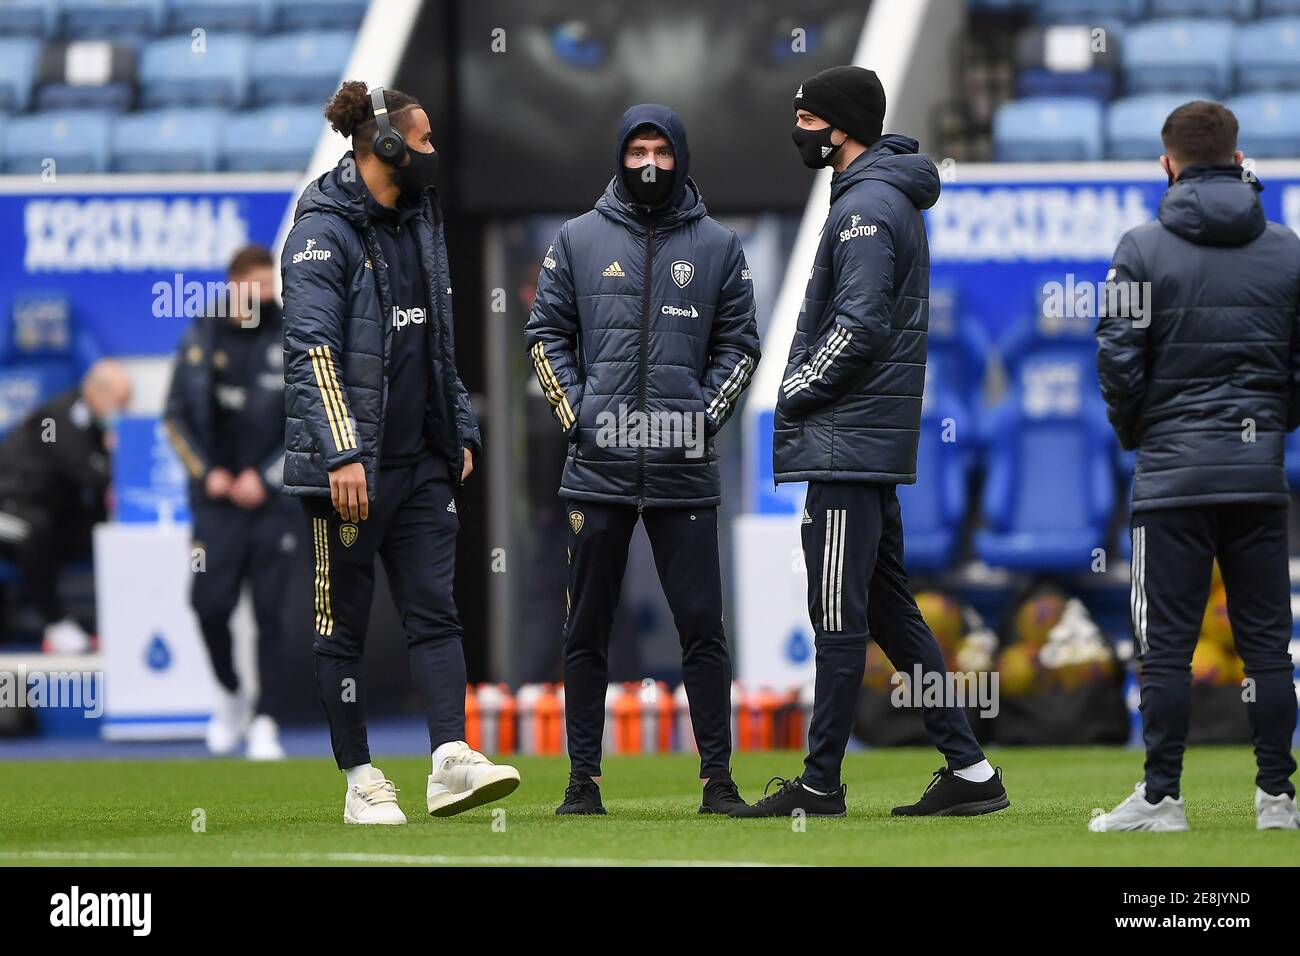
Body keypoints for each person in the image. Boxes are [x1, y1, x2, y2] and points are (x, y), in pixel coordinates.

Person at [734, 66, 1009, 818]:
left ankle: (820, 782)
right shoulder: (875, 197)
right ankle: (972, 771)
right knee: (890, 613)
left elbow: (858, 327)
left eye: (806, 118)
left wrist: (792, 391)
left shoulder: (866, 207)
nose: (798, 130)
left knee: (837, 616)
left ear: (840, 126)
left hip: (847, 442)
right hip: (861, 441)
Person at [281, 81, 518, 825]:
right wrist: (343, 454)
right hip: (349, 470)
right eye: (422, 142)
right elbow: (312, 351)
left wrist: (458, 428)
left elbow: (436, 338)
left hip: (420, 463)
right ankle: (360, 778)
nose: (432, 155)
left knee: (437, 615)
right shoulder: (321, 230)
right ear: (383, 146)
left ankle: (449, 757)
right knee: (341, 630)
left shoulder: (420, 218)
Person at [525, 104, 761, 816]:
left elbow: (741, 349)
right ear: (619, 157)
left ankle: (717, 782)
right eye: (637, 151)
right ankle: (581, 782)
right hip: (597, 471)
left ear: (680, 155)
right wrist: (583, 420)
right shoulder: (576, 239)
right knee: (585, 629)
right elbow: (544, 339)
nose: (649, 162)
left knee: (703, 630)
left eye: (661, 149)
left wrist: (700, 422)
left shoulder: (720, 246)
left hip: (683, 473)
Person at [1092, 100, 1300, 832]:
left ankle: (1161, 799)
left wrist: (1142, 434)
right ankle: (1278, 800)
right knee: (1268, 646)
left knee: (1166, 649)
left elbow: (1115, 358)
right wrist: (1271, 424)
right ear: (1239, 158)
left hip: (1172, 482)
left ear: (1168, 163)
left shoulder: (1138, 247)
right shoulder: (1287, 247)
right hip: (1257, 479)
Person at [164, 244, 294, 761]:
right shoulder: (201, 336)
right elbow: (175, 419)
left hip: (272, 502)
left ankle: (267, 718)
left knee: (271, 614)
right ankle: (231, 695)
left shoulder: (292, 333)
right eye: (257, 286)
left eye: (270, 285)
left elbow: (310, 419)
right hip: (216, 505)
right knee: (208, 605)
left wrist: (266, 478)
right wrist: (209, 473)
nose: (266, 296)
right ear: (234, 284)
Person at [0, 360, 130, 654]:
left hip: (44, 509)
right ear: (97, 393)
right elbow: (88, 471)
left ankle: (118, 619)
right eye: (121, 403)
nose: (124, 412)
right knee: (33, 530)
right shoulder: (55, 418)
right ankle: (55, 622)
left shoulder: (95, 426)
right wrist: (116, 451)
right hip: (7, 505)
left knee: (98, 527)